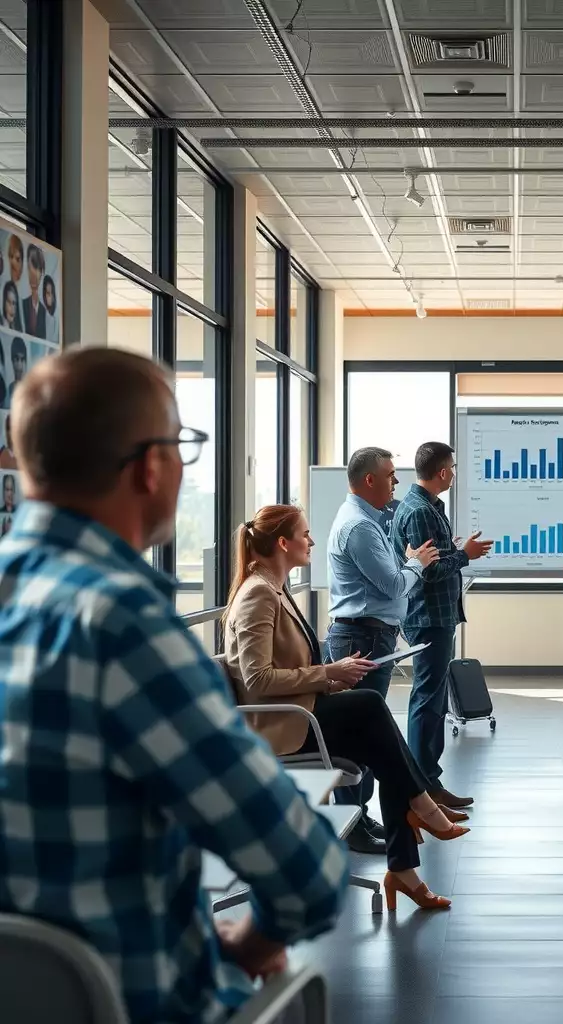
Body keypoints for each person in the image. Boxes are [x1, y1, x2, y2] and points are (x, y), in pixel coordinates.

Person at [0, 347, 349, 1022]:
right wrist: (251, 942)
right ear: (151, 466)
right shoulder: (121, 625)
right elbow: (308, 874)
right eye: (185, 446)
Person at [224, 504, 468, 912]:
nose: (312, 541)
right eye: (304, 534)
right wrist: (326, 673)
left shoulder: (274, 588)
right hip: (278, 728)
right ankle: (418, 815)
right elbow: (257, 680)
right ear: (283, 543)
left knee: (384, 748)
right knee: (374, 713)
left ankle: (406, 862)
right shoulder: (258, 595)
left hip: (300, 712)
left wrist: (333, 676)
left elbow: (282, 668)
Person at [326, 446, 439, 854]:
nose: (396, 482)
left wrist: (405, 563)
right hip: (363, 637)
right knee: (358, 736)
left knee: (365, 732)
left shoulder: (370, 522)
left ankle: (359, 816)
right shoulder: (359, 527)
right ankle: (352, 826)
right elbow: (392, 585)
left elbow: (389, 578)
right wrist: (417, 563)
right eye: (391, 475)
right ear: (369, 480)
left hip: (370, 634)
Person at [391, 441, 492, 813]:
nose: (454, 472)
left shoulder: (430, 507)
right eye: (452, 466)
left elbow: (435, 559)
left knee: (433, 701)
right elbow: (430, 571)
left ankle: (430, 782)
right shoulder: (419, 511)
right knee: (428, 701)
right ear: (443, 471)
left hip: (437, 616)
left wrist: (455, 551)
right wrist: (464, 555)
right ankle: (422, 786)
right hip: (427, 617)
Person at [22, 244, 46, 339]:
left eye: (37, 268)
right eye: (29, 267)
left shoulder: (44, 312)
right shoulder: (22, 306)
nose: (33, 275)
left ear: (42, 272)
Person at [8, 336, 26, 405]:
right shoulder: (10, 387)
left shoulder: (28, 388)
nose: (19, 364)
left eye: (22, 359)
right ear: (12, 361)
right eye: (16, 359)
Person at [42, 274, 57, 343]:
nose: (50, 297)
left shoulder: (53, 319)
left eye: (52, 293)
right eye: (48, 293)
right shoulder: (43, 316)